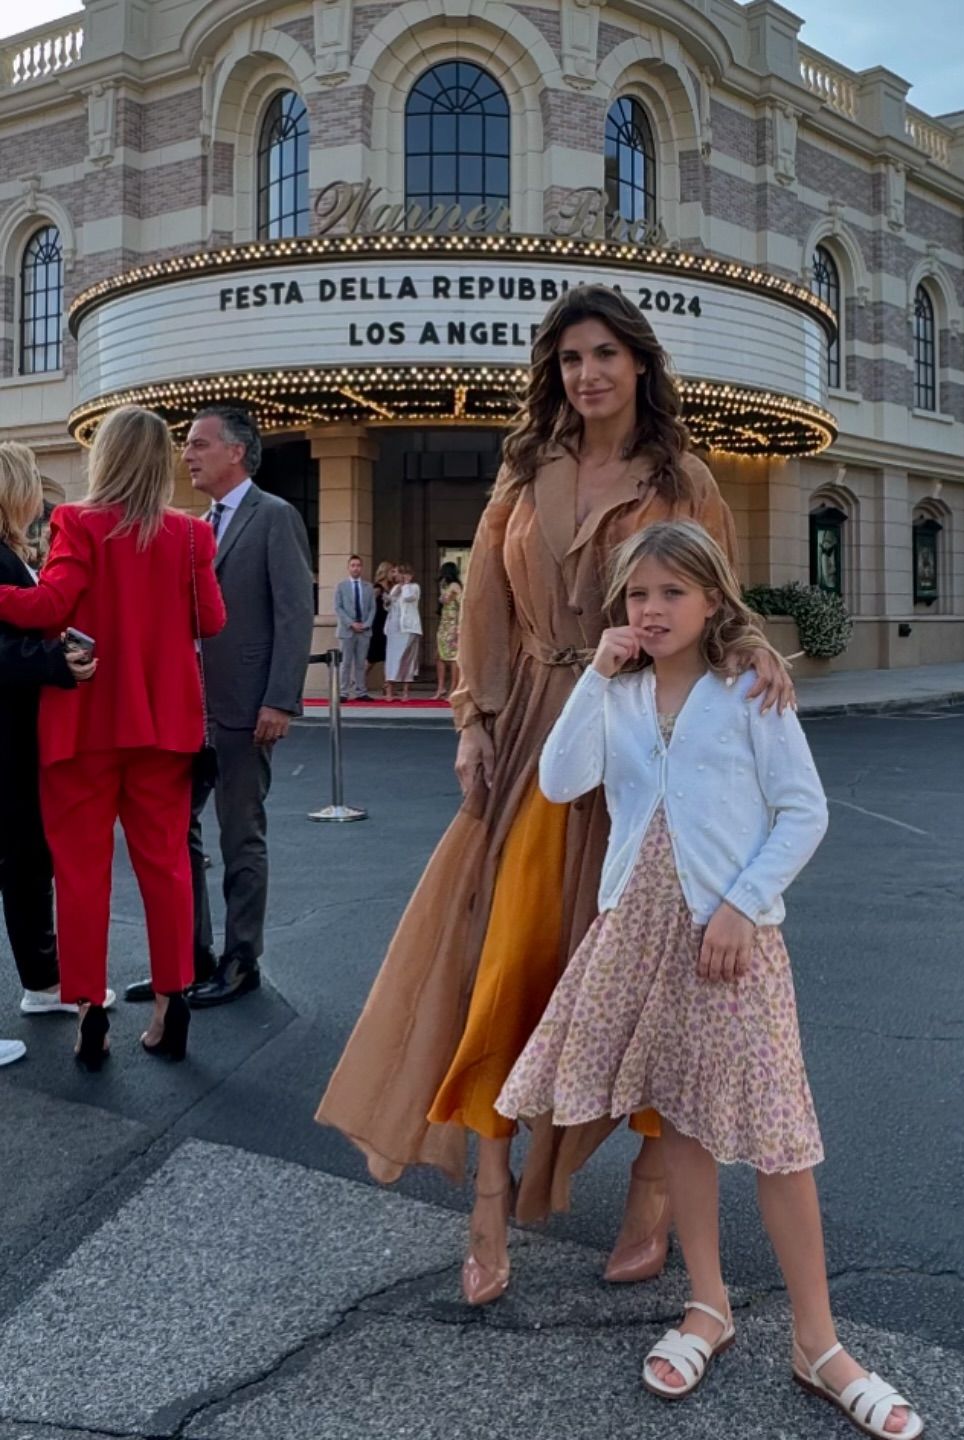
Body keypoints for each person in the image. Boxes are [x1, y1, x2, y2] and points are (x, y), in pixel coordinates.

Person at [317, 285, 792, 1308]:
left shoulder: (687, 477)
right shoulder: (525, 470)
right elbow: (479, 602)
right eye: (572, 356)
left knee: (661, 967)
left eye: (607, 354)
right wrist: (473, 720)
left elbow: (719, 599)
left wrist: (753, 653)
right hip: (543, 723)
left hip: (655, 740)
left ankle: (654, 1184)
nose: (589, 373)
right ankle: (488, 1193)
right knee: (509, 961)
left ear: (641, 365)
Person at [497, 521, 922, 1437]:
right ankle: (709, 1305)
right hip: (637, 927)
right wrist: (595, 677)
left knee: (779, 1133)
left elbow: (803, 812)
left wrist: (742, 902)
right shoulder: (617, 690)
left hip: (727, 934)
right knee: (679, 1118)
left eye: (671, 594)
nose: (651, 611)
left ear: (713, 600)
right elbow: (563, 780)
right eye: (637, 595)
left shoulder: (749, 690)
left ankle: (818, 1340)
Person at [0, 407, 226, 1070]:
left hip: (84, 725)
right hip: (165, 726)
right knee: (167, 865)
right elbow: (210, 619)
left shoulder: (78, 524)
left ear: (104, 459)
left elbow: (50, 606)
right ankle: (170, 997)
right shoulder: (190, 536)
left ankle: (89, 1010)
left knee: (79, 870)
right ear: (160, 463)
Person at [124, 406, 313, 1011]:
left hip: (244, 710)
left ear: (237, 452)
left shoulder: (274, 517)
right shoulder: (194, 526)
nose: (187, 454)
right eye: (186, 446)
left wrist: (280, 699)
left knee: (241, 836)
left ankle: (240, 961)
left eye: (200, 444)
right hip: (187, 710)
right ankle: (188, 959)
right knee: (175, 834)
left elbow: (293, 613)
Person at [0, 443, 104, 1068]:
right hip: (7, 739)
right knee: (19, 862)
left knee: (28, 862)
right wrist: (52, 662)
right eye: (34, 484)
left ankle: (44, 985)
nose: (42, 498)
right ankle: (45, 983)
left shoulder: (15, 554)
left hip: (18, 740)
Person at [334, 554, 376, 700]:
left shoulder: (368, 587)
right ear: (348, 568)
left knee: (360, 663)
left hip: (364, 631)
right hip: (347, 630)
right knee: (345, 662)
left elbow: (372, 609)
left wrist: (366, 624)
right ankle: (343, 692)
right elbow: (338, 608)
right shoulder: (341, 586)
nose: (356, 568)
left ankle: (361, 692)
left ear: (361, 568)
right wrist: (351, 623)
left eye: (358, 565)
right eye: (353, 565)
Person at [383, 562, 422, 702]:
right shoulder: (395, 588)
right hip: (394, 627)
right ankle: (389, 691)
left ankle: (405, 691)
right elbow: (389, 606)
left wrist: (405, 585)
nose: (396, 575)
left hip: (408, 627)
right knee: (392, 658)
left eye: (399, 572)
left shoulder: (414, 587)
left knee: (406, 658)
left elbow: (408, 598)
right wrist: (388, 599)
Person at [434, 561, 464, 700]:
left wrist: (459, 625)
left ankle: (454, 686)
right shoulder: (444, 586)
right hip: (444, 624)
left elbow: (461, 603)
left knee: (453, 657)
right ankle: (441, 687)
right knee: (440, 655)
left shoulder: (455, 586)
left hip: (453, 624)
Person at [367, 560, 394, 692]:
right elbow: (368, 605)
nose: (393, 574)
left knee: (387, 657)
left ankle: (386, 686)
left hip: (387, 625)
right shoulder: (377, 588)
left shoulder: (392, 588)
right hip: (377, 625)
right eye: (391, 571)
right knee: (372, 657)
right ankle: (356, 682)